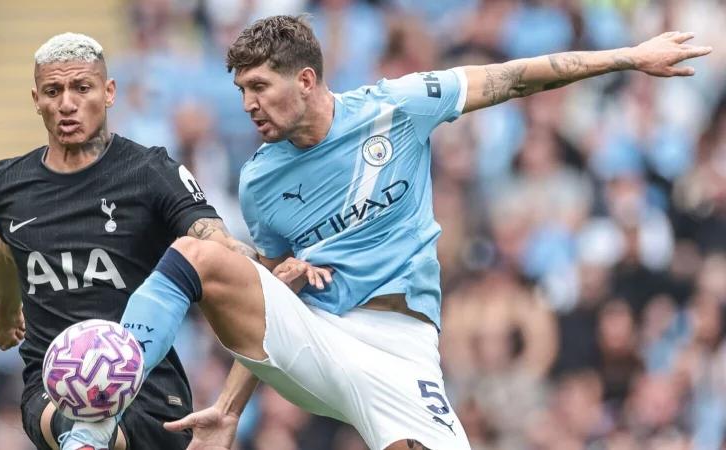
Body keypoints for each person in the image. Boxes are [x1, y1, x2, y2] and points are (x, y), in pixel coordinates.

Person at [67, 16, 712, 450]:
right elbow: (263, 301)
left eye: (259, 87)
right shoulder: (261, 179)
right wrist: (232, 405)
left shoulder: (397, 107)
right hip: (317, 337)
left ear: (306, 79)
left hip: (401, 348)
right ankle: (96, 416)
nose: (247, 105)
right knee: (197, 255)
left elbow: (520, 75)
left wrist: (632, 56)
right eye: (240, 89)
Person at [0, 33, 257, 450]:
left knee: (98, 433)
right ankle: (90, 436)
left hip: (147, 384)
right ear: (36, 100)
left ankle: (93, 434)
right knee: (74, 426)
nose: (67, 104)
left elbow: (212, 238)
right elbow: (5, 249)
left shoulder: (150, 172)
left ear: (109, 93)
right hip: (53, 384)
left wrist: (247, 256)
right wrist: (6, 310)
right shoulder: (5, 185)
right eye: (53, 91)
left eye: (82, 88)